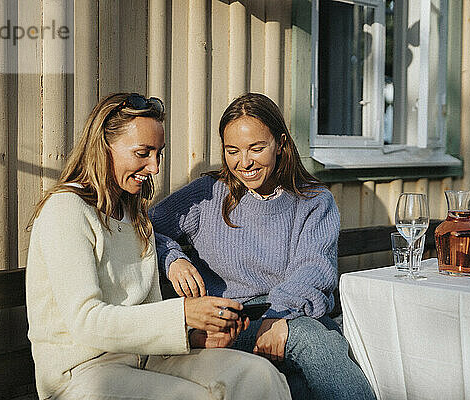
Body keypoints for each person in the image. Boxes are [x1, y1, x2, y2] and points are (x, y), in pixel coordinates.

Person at [25, 93, 292, 400]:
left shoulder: (134, 213)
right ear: (104, 147)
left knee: (258, 376)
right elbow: (87, 322)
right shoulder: (67, 210)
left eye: (158, 153)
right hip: (83, 374)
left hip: (146, 360)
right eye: (142, 153)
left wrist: (196, 336)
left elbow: (146, 313)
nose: (153, 166)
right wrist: (182, 315)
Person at [150, 93, 376, 400]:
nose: (244, 163)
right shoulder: (207, 195)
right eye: (233, 151)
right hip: (229, 326)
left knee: (300, 381)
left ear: (280, 144)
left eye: (257, 148)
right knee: (312, 339)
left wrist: (278, 317)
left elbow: (315, 269)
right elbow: (144, 229)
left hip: (291, 314)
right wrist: (171, 258)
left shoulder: (313, 201)